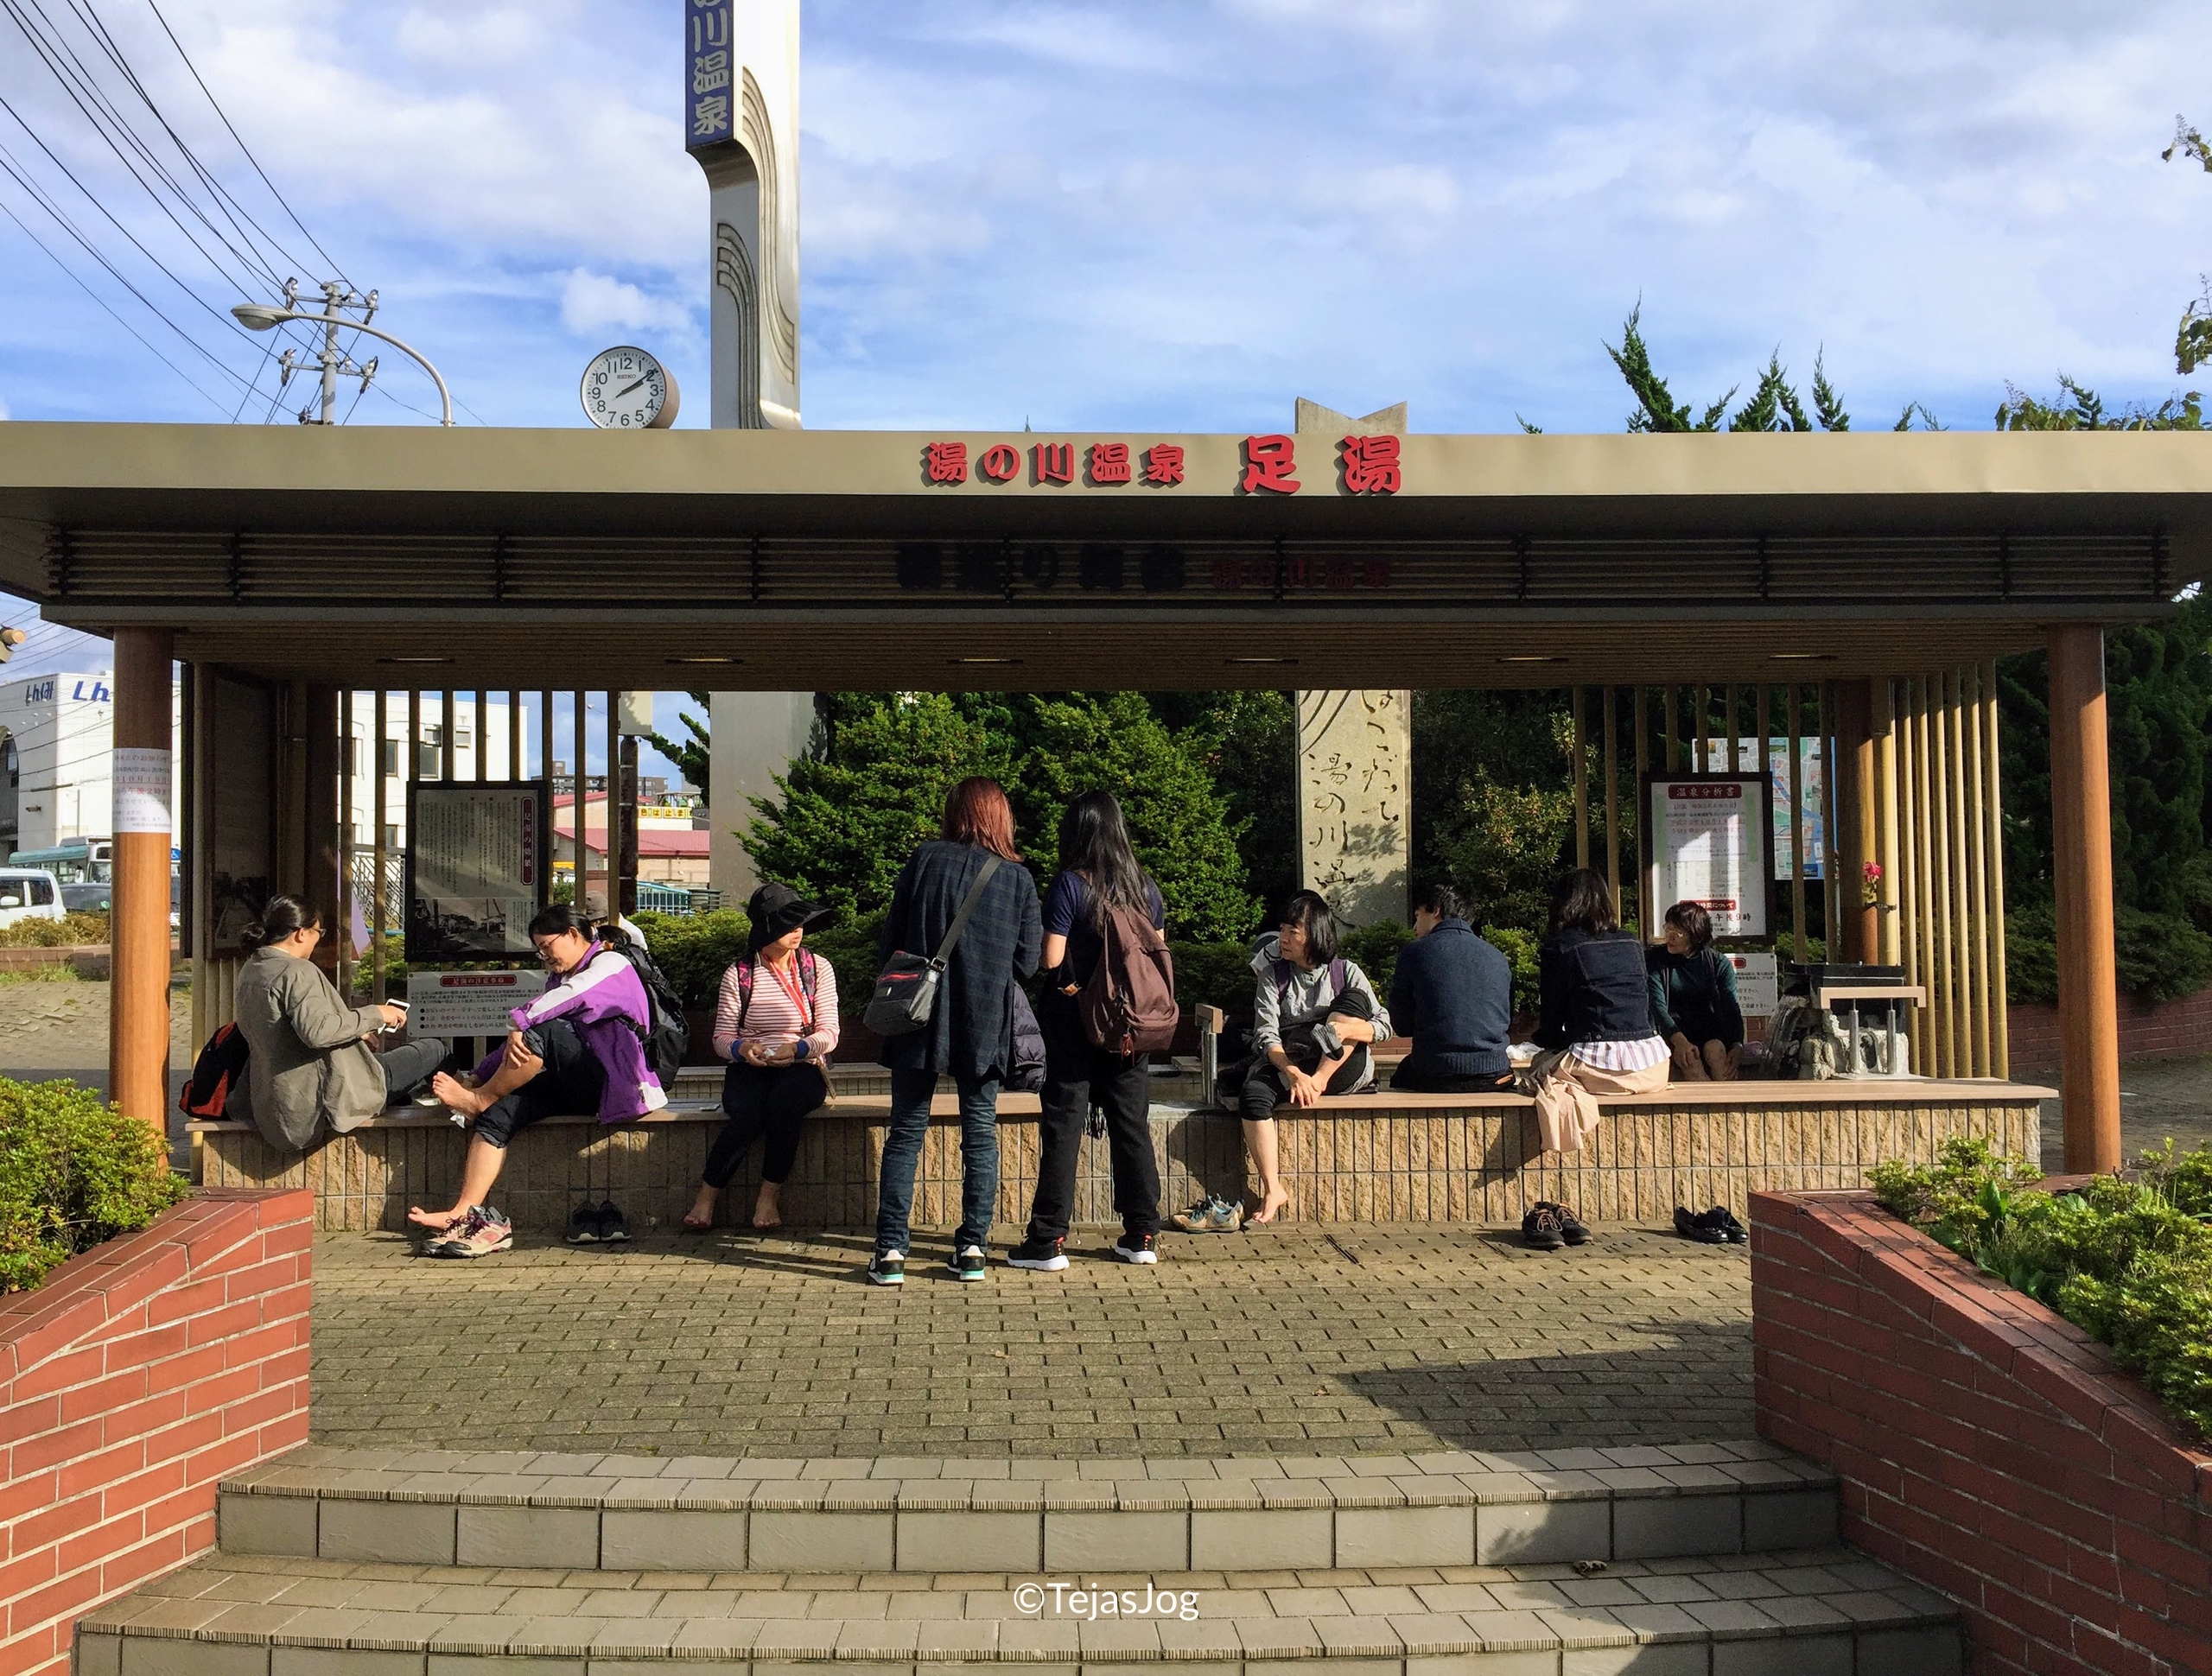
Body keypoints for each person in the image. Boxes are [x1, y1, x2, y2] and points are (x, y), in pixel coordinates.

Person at [407, 905, 669, 1255]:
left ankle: (481, 1098)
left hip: (617, 1085)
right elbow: (525, 1035)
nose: (544, 955)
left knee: (541, 1029)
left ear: (574, 935)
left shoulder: (611, 964)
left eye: (547, 946)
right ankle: (462, 1212)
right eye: (539, 949)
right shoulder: (560, 978)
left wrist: (520, 1022)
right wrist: (478, 1074)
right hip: (576, 1081)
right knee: (498, 1116)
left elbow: (558, 1005)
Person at [870, 777, 1042, 1286]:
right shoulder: (1018, 879)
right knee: (980, 1135)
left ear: (955, 813)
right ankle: (971, 1250)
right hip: (984, 1019)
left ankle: (890, 1254)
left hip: (916, 1017)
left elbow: (892, 939)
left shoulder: (925, 859)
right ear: (1001, 817)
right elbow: (1029, 962)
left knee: (905, 1132)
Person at [1009, 790, 1167, 1273]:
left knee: (1063, 1127)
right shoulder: (1145, 887)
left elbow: (1051, 960)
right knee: (1131, 1126)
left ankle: (1049, 1239)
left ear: (1075, 832)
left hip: (1073, 1022)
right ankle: (1141, 1235)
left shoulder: (1070, 885)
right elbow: (1156, 954)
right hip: (1131, 1028)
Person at [228, 895, 447, 1152]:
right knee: (434, 1050)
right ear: (301, 934)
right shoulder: (297, 971)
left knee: (401, 1076)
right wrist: (375, 1014)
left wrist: (357, 1032)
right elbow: (317, 1032)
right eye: (318, 932)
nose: (319, 939)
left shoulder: (253, 968)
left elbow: (293, 1027)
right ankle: (466, 1115)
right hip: (325, 1096)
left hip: (276, 1101)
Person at [683, 881, 840, 1232]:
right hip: (751, 1067)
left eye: (800, 923)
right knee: (747, 1114)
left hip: (803, 1064)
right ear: (767, 928)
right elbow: (722, 1038)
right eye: (788, 924)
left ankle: (768, 1197)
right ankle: (706, 1197)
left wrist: (797, 1048)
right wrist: (743, 1050)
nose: (798, 931)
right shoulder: (739, 974)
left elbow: (830, 1033)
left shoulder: (818, 968)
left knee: (784, 1106)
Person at [1231, 890, 1389, 1225]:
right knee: (1253, 1095)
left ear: (1314, 935)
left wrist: (1343, 1035)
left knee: (1353, 1002)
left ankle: (1321, 1073)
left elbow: (1384, 1025)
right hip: (1296, 1063)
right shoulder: (1274, 974)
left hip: (1342, 1068)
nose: (1284, 939)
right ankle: (1273, 1189)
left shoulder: (1346, 971)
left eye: (1293, 932)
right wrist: (1292, 1073)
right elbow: (1266, 1034)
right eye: (1283, 930)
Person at [1527, 869, 1669, 1155]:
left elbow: (1551, 1023)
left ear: (1562, 903)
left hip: (1599, 1068)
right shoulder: (1632, 942)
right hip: (1654, 1066)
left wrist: (1547, 1043)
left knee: (1538, 1070)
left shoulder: (1559, 946)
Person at [1389, 882, 1515, 1094]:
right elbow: (1504, 1018)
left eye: (1418, 915)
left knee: (1402, 1076)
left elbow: (1401, 1025)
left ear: (1436, 910)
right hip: (1494, 1072)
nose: (1414, 926)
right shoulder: (1497, 956)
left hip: (1435, 1072)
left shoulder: (1415, 953)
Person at [1647, 901, 1745, 1082]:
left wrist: (1737, 1044)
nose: (1670, 936)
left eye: (1678, 932)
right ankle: (1712, 1105)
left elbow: (1731, 1005)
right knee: (1690, 1060)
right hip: (1673, 1033)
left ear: (1696, 936)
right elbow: (1657, 1005)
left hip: (1710, 1029)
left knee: (1716, 1050)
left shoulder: (1717, 962)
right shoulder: (1655, 960)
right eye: (1667, 929)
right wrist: (1679, 1041)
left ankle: (1726, 1103)